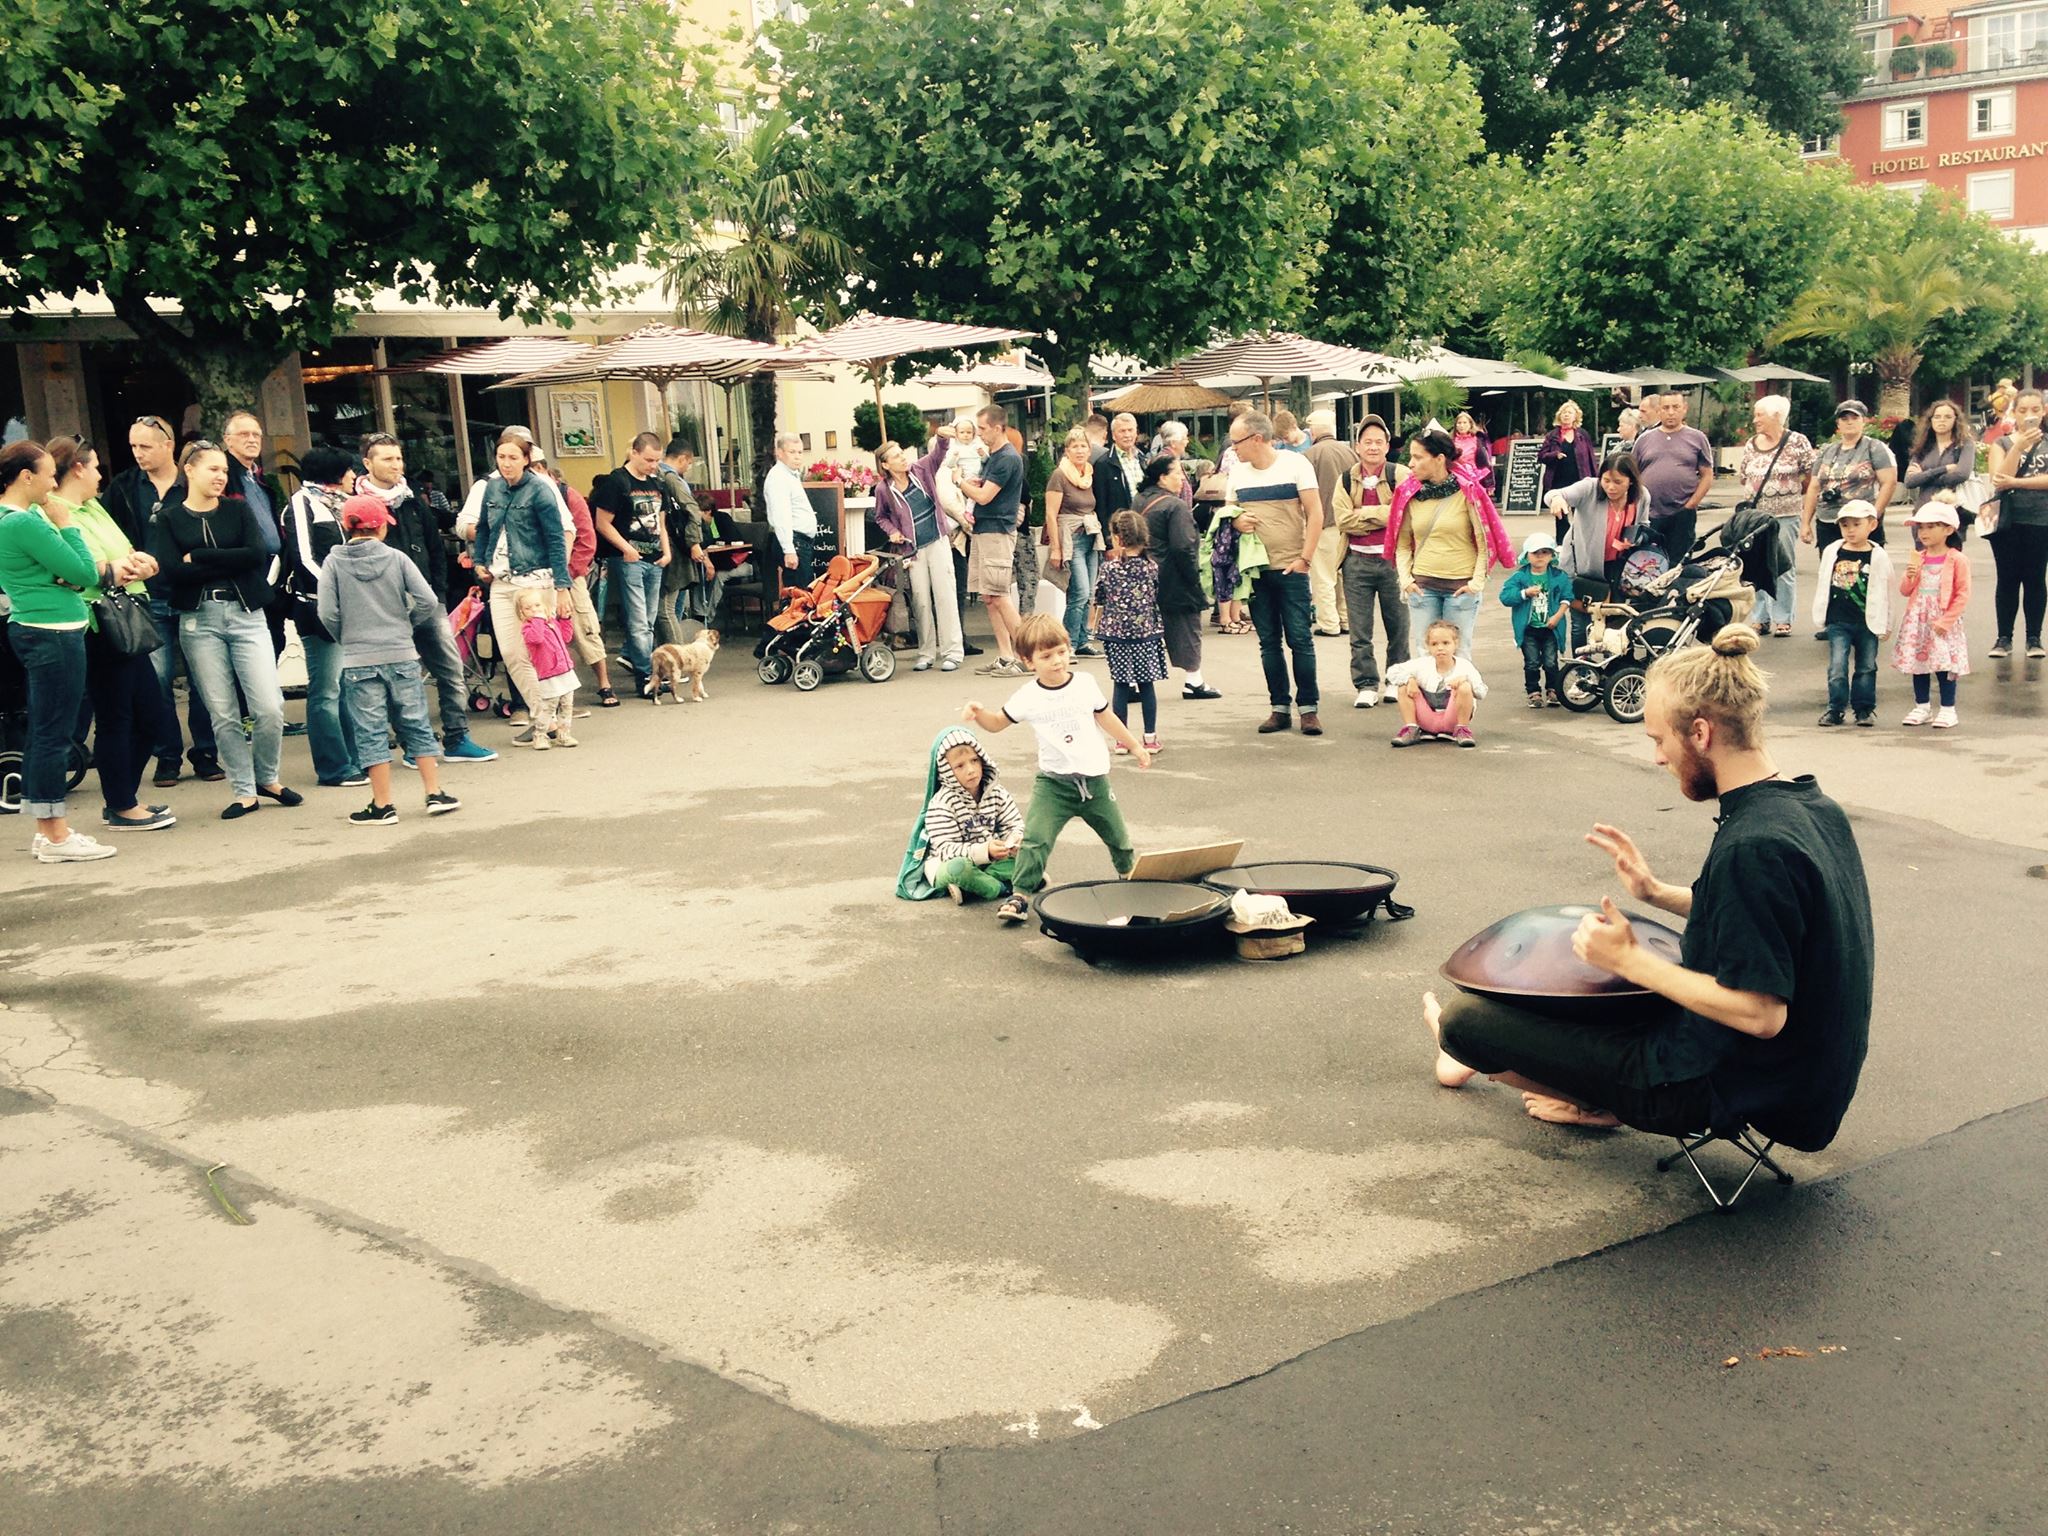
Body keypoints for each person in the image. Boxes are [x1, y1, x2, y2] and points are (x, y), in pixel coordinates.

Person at [1425, 625, 1873, 1146]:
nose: (1659, 758)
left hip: (1723, 1081)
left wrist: (1631, 962)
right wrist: (1655, 892)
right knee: (1577, 996)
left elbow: (1761, 1013)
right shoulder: (1806, 808)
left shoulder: (1753, 847)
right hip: (1797, 1078)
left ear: (1700, 733)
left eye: (1659, 740)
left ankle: (1482, 1057)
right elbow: (1761, 923)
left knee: (1464, 1019)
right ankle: (1557, 1080)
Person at [960, 612, 1149, 927]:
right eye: (1047, 656)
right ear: (1029, 661)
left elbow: (1106, 717)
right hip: (1053, 785)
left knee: (1118, 837)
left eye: (1062, 651)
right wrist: (979, 713)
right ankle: (1020, 895)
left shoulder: (1085, 684)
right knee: (1035, 839)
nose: (1058, 661)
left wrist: (1134, 745)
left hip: (1094, 782)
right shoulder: (1028, 696)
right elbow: (996, 724)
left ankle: (1130, 878)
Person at [146, 441, 300, 819]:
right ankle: (244, 790)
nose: (220, 476)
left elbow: (255, 554)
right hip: (200, 620)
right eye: (213, 469)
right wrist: (224, 562)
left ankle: (267, 776)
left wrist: (198, 555)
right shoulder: (168, 518)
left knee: (269, 705)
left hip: (247, 613)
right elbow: (171, 571)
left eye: (224, 471)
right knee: (222, 712)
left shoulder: (238, 509)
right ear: (190, 471)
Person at [41, 435, 176, 833]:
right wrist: (119, 566)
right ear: (78, 469)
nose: (102, 474)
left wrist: (139, 561)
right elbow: (80, 566)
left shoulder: (92, 506)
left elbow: (121, 551)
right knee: (117, 716)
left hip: (129, 611)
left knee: (151, 716)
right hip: (99, 623)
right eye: (96, 466)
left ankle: (123, 798)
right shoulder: (55, 512)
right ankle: (121, 804)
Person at [0, 440, 121, 860]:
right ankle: (55, 835)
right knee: (54, 733)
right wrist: (67, 525)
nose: (56, 481)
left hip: (37, 625)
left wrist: (66, 574)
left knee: (44, 731)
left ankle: (47, 829)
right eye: (50, 473)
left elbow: (69, 575)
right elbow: (85, 571)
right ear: (26, 477)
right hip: (53, 629)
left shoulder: (12, 518)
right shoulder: (24, 523)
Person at [315, 495, 460, 823]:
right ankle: (434, 792)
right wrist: (405, 623)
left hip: (358, 658)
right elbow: (426, 599)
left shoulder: (333, 563)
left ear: (345, 526)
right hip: (401, 653)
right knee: (416, 722)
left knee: (370, 730)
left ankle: (382, 805)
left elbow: (327, 612)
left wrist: (347, 636)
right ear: (381, 527)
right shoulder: (397, 558)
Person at [354, 433, 495, 764]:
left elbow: (435, 548)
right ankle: (411, 744)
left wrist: (438, 593)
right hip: (384, 606)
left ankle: (458, 737)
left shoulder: (414, 500)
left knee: (449, 668)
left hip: (428, 600)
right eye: (387, 459)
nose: (396, 465)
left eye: (399, 458)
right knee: (399, 679)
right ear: (367, 463)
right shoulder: (358, 505)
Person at [108, 414, 217, 788]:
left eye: (146, 446)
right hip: (146, 596)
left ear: (168, 445)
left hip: (193, 591)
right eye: (134, 446)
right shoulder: (124, 486)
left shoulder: (193, 481)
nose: (138, 453)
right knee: (157, 680)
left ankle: (206, 751)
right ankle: (166, 754)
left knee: (206, 678)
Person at [1226, 410, 1325, 735]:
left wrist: (1305, 559)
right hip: (1255, 571)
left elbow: (1315, 513)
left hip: (1291, 567)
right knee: (1268, 642)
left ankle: (1308, 708)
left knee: (1300, 639)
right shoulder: (1238, 474)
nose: (1233, 448)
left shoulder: (1295, 465)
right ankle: (1279, 707)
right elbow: (1228, 516)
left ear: (1256, 438)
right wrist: (1237, 521)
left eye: (1236, 441)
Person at [467, 431, 573, 735]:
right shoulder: (493, 488)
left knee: (538, 651)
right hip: (501, 581)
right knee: (512, 655)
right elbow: (484, 527)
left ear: (527, 460)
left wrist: (562, 586)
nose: (507, 463)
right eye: (501, 457)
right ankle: (545, 719)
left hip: (535, 579)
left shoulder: (541, 489)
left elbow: (556, 538)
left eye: (513, 457)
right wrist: (480, 561)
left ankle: (551, 715)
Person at [1385, 424, 1514, 661]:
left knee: (1459, 656)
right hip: (1422, 588)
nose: (1410, 464)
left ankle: (1459, 700)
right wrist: (1406, 580)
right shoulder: (1408, 493)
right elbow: (1401, 543)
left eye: (1417, 457)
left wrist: (1475, 584)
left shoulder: (1468, 491)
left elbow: (1484, 542)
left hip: (1460, 589)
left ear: (1439, 459)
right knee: (1426, 657)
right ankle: (1431, 700)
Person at [280, 445, 366, 788]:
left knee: (345, 684)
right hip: (316, 606)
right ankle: (333, 767)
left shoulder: (341, 503)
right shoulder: (301, 504)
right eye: (348, 470)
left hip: (346, 605)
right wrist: (336, 589)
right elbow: (303, 557)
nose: (353, 477)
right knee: (326, 688)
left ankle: (353, 758)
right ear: (333, 474)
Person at [896, 727, 1024, 905]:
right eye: (960, 766)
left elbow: (1014, 824)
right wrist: (984, 851)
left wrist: (1014, 841)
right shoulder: (942, 803)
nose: (971, 770)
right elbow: (946, 849)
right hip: (948, 864)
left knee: (1030, 854)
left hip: (991, 862)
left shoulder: (997, 793)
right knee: (959, 869)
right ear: (946, 770)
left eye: (974, 760)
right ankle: (1000, 888)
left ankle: (975, 886)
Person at [590, 431, 675, 696]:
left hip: (654, 558)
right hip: (629, 560)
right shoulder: (617, 482)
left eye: (657, 461)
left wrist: (667, 551)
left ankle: (647, 671)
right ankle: (645, 675)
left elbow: (661, 521)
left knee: (649, 620)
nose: (653, 465)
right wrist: (626, 549)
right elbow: (601, 522)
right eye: (649, 460)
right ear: (634, 453)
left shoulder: (656, 482)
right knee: (639, 621)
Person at [1336, 416, 1410, 708]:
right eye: (1367, 441)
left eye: (1379, 441)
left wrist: (1363, 513)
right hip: (1356, 562)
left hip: (1393, 561)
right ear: (1357, 446)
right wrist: (1381, 513)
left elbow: (1401, 514)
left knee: (1399, 627)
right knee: (1359, 630)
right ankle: (1366, 684)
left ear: (1387, 445)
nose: (1373, 447)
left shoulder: (1400, 474)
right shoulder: (1345, 478)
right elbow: (1342, 520)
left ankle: (1396, 679)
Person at [533, 456, 618, 706]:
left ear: (542, 469)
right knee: (540, 632)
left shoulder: (569, 496)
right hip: (536, 574)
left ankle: (604, 684)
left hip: (570, 573)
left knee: (585, 626)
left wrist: (568, 574)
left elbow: (586, 540)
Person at [874, 438, 964, 672]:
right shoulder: (884, 489)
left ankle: (952, 652)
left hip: (937, 541)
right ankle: (926, 653)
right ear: (885, 465)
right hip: (912, 551)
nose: (903, 458)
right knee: (921, 602)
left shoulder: (922, 469)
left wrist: (943, 437)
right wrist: (893, 532)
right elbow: (880, 516)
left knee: (945, 595)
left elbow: (939, 453)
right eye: (896, 456)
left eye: (902, 452)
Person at [1135, 454, 1217, 701]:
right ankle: (1194, 680)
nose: (1183, 480)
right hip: (1173, 575)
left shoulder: (1139, 500)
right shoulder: (1175, 506)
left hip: (1142, 573)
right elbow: (1184, 546)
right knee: (1187, 626)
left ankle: (1136, 681)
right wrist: (1193, 578)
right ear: (1162, 478)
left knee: (1143, 630)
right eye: (1177, 475)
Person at [1738, 395, 1817, 638]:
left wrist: (1792, 494)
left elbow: (1812, 475)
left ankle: (1783, 618)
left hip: (1786, 515)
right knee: (1758, 566)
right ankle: (1760, 618)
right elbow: (1743, 475)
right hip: (1757, 517)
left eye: (1759, 415)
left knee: (1783, 565)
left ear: (1776, 416)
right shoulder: (1751, 443)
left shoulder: (1797, 441)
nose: (1755, 420)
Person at [1092, 508, 1168, 756]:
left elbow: (1099, 596)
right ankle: (1150, 737)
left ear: (1117, 538)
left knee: (1121, 685)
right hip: (1146, 632)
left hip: (1116, 634)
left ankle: (1122, 739)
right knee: (1147, 685)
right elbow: (1157, 594)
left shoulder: (1109, 569)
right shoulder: (1152, 568)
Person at [960, 404, 1027, 677]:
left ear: (998, 428)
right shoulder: (993, 457)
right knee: (989, 596)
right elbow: (987, 490)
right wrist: (976, 482)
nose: (980, 434)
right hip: (985, 530)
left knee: (999, 595)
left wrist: (961, 483)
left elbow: (985, 497)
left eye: (984, 429)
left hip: (998, 531)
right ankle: (1005, 655)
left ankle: (1027, 656)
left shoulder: (1008, 458)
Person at [1812, 499, 1892, 728]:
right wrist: (1822, 613)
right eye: (1845, 525)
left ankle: (1864, 709)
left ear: (1872, 525)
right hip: (1839, 621)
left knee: (1866, 666)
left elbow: (1886, 590)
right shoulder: (1833, 551)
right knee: (1837, 665)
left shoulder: (1878, 556)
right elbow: (1822, 581)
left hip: (1868, 621)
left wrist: (1887, 622)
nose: (1850, 530)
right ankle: (1835, 709)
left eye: (1856, 524)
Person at [1894, 503, 1971, 729]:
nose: (1924, 533)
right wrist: (1910, 575)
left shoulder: (1957, 559)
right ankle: (1922, 706)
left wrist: (1947, 621)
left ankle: (1948, 708)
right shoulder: (1919, 557)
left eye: (1930, 527)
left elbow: (1963, 594)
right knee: (1919, 662)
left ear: (1948, 530)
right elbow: (1905, 590)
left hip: (1942, 619)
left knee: (1944, 664)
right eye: (1921, 528)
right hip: (1918, 618)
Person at [220, 409, 289, 657]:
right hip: (244, 575)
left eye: (256, 435)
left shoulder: (259, 476)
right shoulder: (224, 475)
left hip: (272, 572)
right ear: (227, 440)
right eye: (243, 434)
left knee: (275, 641)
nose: (252, 439)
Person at [1986, 386, 2048, 659]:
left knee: (2035, 578)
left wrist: (2018, 483)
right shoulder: (2002, 443)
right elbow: (1999, 478)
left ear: (2044, 411)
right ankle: (2003, 637)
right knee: (2007, 578)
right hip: (2007, 521)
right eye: (2023, 410)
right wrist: (2019, 447)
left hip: (2040, 519)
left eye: (2035, 409)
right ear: (2014, 413)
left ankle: (2034, 638)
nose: (2029, 415)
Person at [1802, 399, 1896, 563]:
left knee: (1863, 572)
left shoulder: (1874, 448)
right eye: (1844, 418)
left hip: (1861, 522)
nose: (1849, 422)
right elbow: (1814, 487)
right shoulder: (1827, 450)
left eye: (1854, 418)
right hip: (1828, 521)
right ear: (1838, 423)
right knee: (1832, 572)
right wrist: (1805, 523)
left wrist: (1873, 515)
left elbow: (1889, 482)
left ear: (1864, 421)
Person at [1632, 393, 1715, 557]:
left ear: (1684, 409)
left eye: (1675, 407)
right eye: (1666, 408)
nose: (1671, 412)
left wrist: (1691, 504)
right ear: (1659, 411)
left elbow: (1707, 475)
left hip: (1682, 513)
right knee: (1649, 562)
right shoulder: (1644, 440)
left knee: (1678, 563)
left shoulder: (1698, 438)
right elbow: (1632, 474)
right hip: (1649, 514)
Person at [1043, 428, 1103, 656]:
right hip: (1072, 538)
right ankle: (1067, 644)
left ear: (1090, 450)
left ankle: (1081, 641)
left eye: (1083, 446)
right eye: (1075, 446)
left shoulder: (1088, 475)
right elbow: (1051, 514)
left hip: (1090, 536)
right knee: (1079, 592)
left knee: (1089, 594)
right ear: (1067, 450)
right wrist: (1056, 549)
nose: (1080, 450)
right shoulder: (1059, 476)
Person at [1302, 409, 1357, 637]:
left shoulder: (1309, 456)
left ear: (1313, 431)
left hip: (1323, 523)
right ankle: (1345, 620)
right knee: (1343, 575)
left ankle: (1329, 623)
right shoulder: (1351, 452)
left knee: (1323, 576)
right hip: (1349, 524)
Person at [1501, 533, 1573, 708]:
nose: (1540, 556)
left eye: (1545, 552)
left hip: (1551, 628)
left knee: (1550, 661)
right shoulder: (1519, 578)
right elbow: (1505, 597)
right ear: (1527, 555)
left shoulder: (1558, 576)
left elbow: (1567, 597)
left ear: (1552, 556)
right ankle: (1533, 691)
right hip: (1528, 628)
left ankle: (1553, 689)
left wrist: (1557, 616)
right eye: (1535, 553)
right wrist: (1524, 593)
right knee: (1532, 662)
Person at [1390, 618, 1483, 748]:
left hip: (1452, 720)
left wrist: (1465, 680)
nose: (1440, 648)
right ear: (1428, 646)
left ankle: (1462, 730)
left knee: (1465, 687)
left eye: (1446, 643)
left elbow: (1481, 692)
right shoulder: (1422, 664)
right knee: (1403, 686)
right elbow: (1392, 672)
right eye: (1434, 644)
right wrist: (1409, 679)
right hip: (1426, 719)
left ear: (1455, 644)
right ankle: (1411, 729)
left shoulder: (1464, 666)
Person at [655, 438, 711, 646]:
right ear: (683, 458)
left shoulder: (656, 475)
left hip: (666, 545)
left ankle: (669, 653)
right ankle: (677, 655)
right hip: (676, 548)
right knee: (668, 608)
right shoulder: (673, 479)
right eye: (689, 463)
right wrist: (694, 543)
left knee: (666, 606)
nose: (688, 468)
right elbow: (692, 510)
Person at [1904, 399, 1975, 551]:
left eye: (1947, 417)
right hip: (1924, 512)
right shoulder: (1923, 447)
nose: (1942, 420)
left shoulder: (1964, 445)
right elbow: (1909, 481)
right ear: (1931, 420)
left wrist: (1924, 476)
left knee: (1950, 563)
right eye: (1937, 417)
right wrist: (1943, 469)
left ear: (1956, 420)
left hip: (1951, 512)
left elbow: (1961, 474)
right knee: (1923, 562)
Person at [514, 586, 579, 749]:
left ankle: (564, 733)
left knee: (567, 704)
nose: (534, 610)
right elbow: (536, 638)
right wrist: (538, 620)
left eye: (537, 605)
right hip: (549, 673)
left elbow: (566, 637)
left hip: (565, 670)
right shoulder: (529, 629)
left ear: (544, 605)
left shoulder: (552, 623)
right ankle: (540, 734)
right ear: (522, 612)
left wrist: (565, 620)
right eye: (528, 608)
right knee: (548, 707)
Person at [760, 431, 815, 590]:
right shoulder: (779, 478)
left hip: (799, 541)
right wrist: (789, 549)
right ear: (779, 453)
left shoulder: (790, 475)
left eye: (800, 452)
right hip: (793, 542)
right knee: (799, 595)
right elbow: (781, 515)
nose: (797, 456)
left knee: (801, 593)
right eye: (792, 452)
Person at [1538, 401, 1597, 540]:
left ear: (1575, 416)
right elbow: (1541, 456)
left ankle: (1580, 540)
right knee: (1560, 514)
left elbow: (1591, 458)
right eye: (1563, 412)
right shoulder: (1552, 435)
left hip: (1579, 478)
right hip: (1559, 479)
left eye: (1569, 412)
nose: (1566, 415)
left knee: (1581, 513)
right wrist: (1554, 455)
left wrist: (1595, 478)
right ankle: (1562, 542)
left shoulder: (1583, 434)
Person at [1450, 410, 1494, 495]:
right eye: (1459, 423)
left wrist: (1490, 484)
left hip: (1474, 477)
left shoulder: (1477, 440)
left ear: (1470, 424)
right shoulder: (1451, 441)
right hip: (1455, 478)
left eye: (1464, 423)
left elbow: (1485, 462)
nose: (1461, 425)